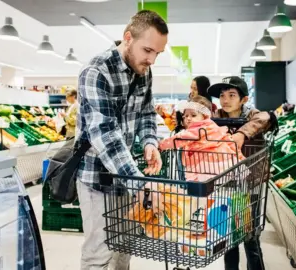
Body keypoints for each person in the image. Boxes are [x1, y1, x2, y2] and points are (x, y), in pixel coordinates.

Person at [75, 10, 168, 270]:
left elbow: (147, 112)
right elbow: (105, 135)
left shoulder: (143, 71)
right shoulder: (96, 71)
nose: (151, 60)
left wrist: (149, 141)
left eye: (157, 53)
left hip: (125, 176)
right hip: (96, 178)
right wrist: (140, 184)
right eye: (147, 50)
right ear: (128, 38)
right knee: (99, 255)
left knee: (124, 249)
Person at [208, 76, 271, 270]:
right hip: (227, 183)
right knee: (230, 237)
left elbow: (266, 118)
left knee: (250, 236)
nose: (225, 99)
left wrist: (241, 134)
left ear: (243, 99)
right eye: (222, 95)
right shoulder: (216, 116)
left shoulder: (253, 114)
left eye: (232, 95)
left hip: (250, 184)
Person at [159, 96, 245, 182]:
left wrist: (161, 145)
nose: (188, 118)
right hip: (217, 163)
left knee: (199, 188)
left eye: (193, 115)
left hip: (208, 165)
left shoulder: (199, 130)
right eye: (186, 116)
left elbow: (180, 139)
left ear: (204, 116)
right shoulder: (211, 126)